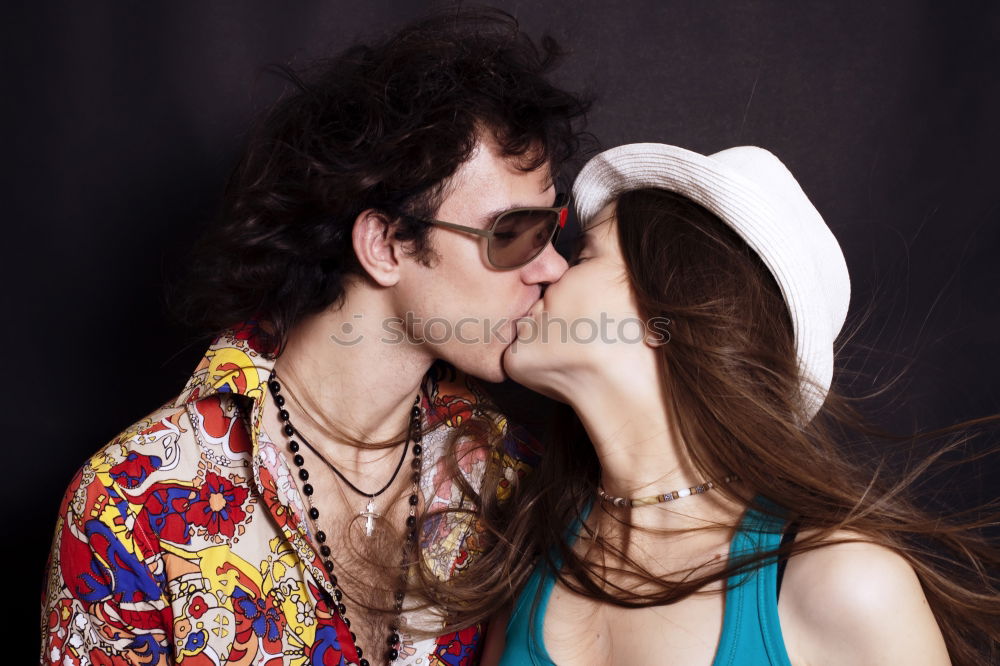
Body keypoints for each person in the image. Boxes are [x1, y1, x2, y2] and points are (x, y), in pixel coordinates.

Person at [41, 9, 588, 666]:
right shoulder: (131, 508)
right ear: (385, 245)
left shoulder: (513, 480)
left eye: (549, 227)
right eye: (512, 234)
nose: (552, 265)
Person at [485, 143, 999, 665]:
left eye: (583, 254)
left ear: (673, 310)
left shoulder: (846, 582)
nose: (547, 271)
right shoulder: (527, 542)